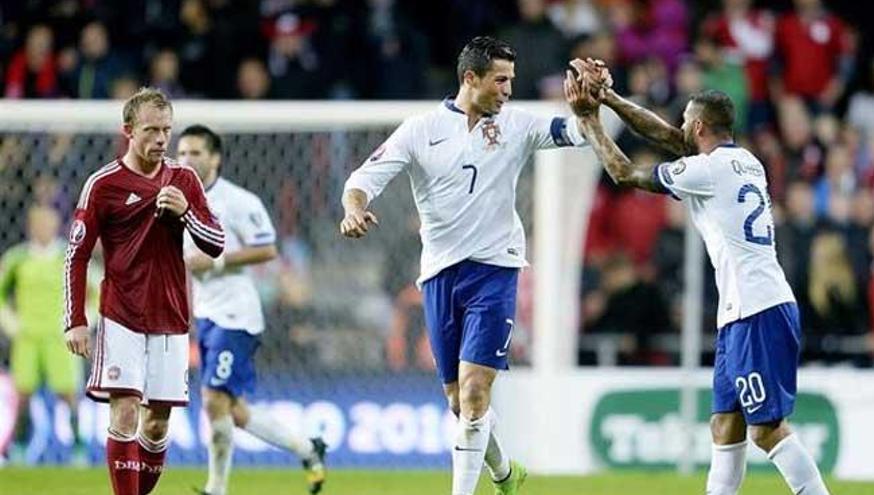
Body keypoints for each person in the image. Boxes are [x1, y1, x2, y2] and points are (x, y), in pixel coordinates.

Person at [339, 36, 594, 495]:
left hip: (495, 271)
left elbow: (574, 133)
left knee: (476, 394)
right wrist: (354, 209)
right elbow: (361, 180)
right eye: (500, 80)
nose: (508, 90)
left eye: (511, 81)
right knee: (460, 403)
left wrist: (591, 107)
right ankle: (503, 473)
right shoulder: (421, 130)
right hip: (438, 276)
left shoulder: (516, 125)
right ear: (470, 79)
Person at [572, 58, 831, 495]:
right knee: (724, 426)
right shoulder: (745, 162)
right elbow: (668, 136)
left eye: (685, 122)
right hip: (743, 310)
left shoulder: (707, 171)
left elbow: (623, 172)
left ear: (698, 128)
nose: (679, 128)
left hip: (758, 308)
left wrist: (589, 120)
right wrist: (613, 98)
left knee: (767, 431)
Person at [64, 87, 225, 495]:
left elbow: (216, 243)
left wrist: (186, 214)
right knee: (124, 411)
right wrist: (76, 321)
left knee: (157, 422)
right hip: (121, 314)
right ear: (128, 131)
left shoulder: (184, 180)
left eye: (166, 130)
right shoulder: (104, 184)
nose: (160, 139)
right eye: (151, 130)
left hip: (170, 315)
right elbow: (77, 255)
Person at [177, 125, 326, 495]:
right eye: (181, 153)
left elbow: (267, 248)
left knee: (213, 399)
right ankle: (308, 448)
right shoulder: (177, 200)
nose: (186, 160)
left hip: (236, 314)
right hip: (207, 314)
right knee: (234, 410)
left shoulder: (238, 201)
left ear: (215, 158)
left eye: (195, 153)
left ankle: (216, 488)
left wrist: (215, 262)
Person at [0, 206, 88, 463]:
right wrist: (10, 322)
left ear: (56, 226)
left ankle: (79, 447)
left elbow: (95, 290)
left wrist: (83, 320)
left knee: (69, 394)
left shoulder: (68, 256)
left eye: (48, 223)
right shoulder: (17, 258)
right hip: (26, 337)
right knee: (24, 395)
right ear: (30, 226)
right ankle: (18, 448)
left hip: (60, 338)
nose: (43, 228)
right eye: (38, 223)